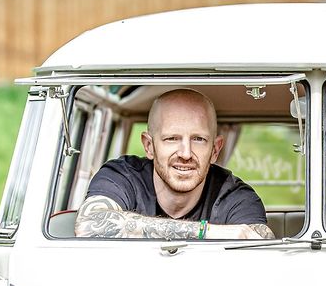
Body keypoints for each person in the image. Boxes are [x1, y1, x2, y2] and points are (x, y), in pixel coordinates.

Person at [75, 89, 274, 240]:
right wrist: (206, 232)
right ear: (149, 146)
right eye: (171, 138)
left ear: (215, 150)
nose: (186, 154)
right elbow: (89, 224)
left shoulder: (236, 198)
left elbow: (259, 243)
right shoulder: (121, 176)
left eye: (198, 139)